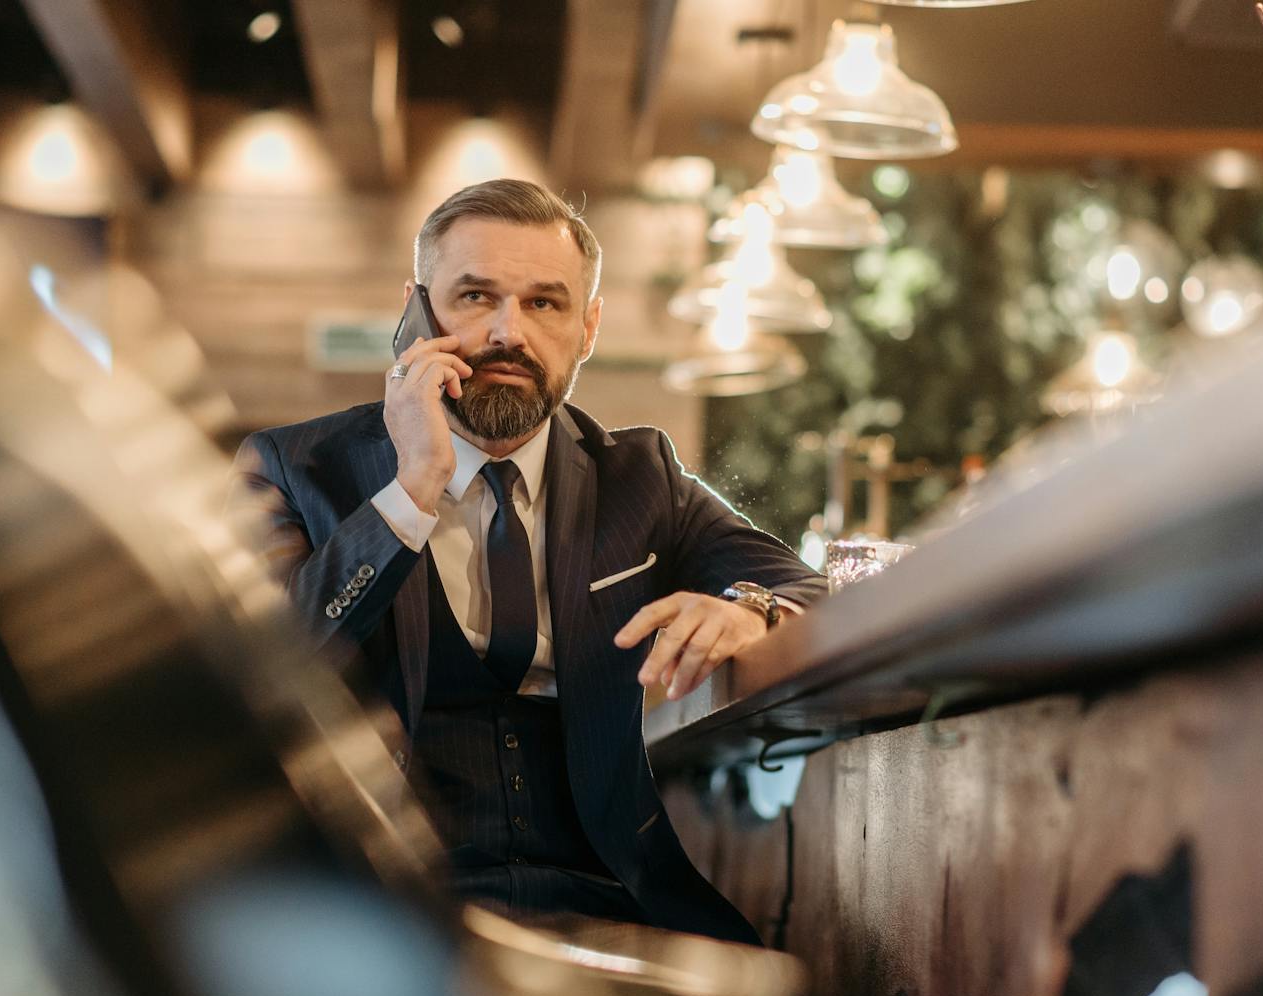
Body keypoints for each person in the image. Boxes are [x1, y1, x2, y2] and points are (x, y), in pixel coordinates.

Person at [234, 179, 823, 943]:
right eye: (476, 296)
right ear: (416, 312)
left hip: (610, 893)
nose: (509, 332)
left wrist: (749, 608)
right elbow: (259, 670)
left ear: (588, 328)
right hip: (381, 903)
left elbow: (802, 585)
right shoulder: (294, 467)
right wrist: (411, 489)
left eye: (545, 303)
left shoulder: (642, 479)